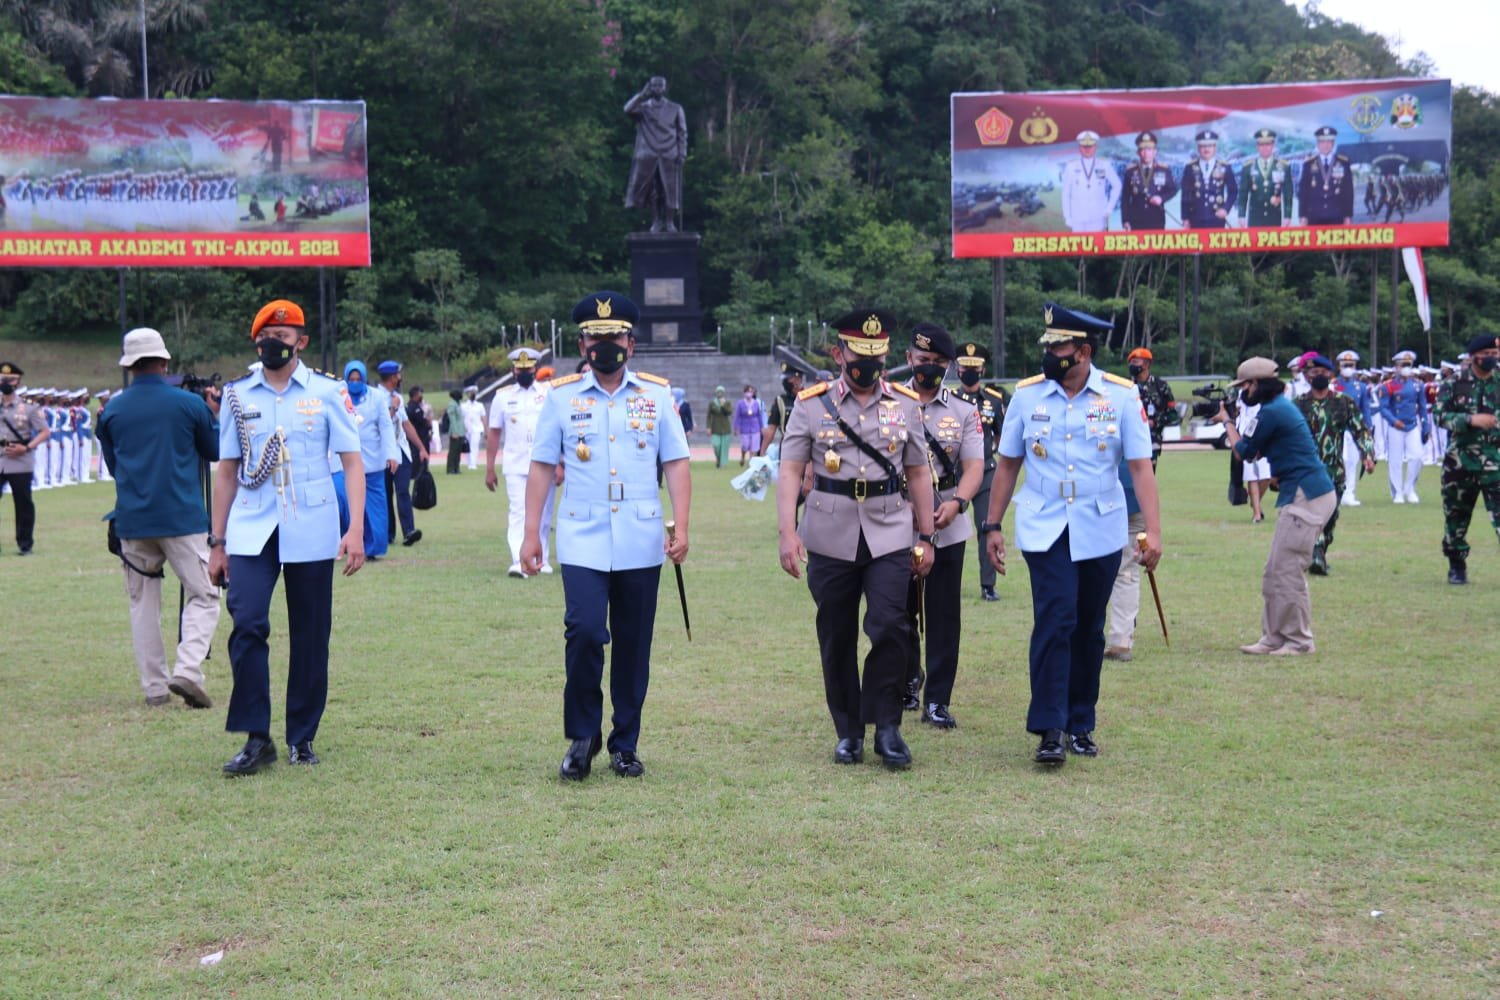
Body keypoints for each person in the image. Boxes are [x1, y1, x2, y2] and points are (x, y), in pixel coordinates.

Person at [522, 291, 691, 780]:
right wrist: (532, 533)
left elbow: (676, 462)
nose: (604, 346)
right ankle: (582, 735)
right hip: (582, 531)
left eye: (613, 337)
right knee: (585, 630)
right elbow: (539, 468)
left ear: (631, 344)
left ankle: (625, 743)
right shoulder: (561, 397)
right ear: (582, 343)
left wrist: (682, 524)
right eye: (595, 338)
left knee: (634, 643)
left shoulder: (657, 396)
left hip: (640, 534)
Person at [982, 303, 1161, 765]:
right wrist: (993, 524)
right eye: (1047, 345)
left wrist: (1154, 532)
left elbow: (1141, 467)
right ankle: (1050, 727)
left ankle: (1081, 721)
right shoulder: (1028, 396)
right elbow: (1007, 464)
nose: (1049, 353)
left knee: (1089, 627)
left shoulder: (1120, 396)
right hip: (1045, 523)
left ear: (1082, 351)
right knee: (1056, 618)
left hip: (1101, 523)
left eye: (1057, 346)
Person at [209, 299, 365, 776]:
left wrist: (355, 528)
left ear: (302, 341)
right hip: (253, 528)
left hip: (312, 527)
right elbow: (228, 471)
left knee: (311, 634)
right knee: (248, 622)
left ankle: (302, 736)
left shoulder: (328, 392)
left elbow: (352, 461)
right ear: (256, 341)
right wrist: (216, 542)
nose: (274, 343)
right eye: (266, 337)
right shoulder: (239, 395)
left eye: (285, 335)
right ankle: (257, 737)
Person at [777, 308, 936, 770]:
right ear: (838, 353)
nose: (867, 362)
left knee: (890, 626)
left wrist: (925, 535)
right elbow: (789, 470)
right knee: (837, 633)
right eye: (858, 353)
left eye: (876, 354)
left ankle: (887, 727)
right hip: (828, 531)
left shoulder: (905, 403)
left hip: (889, 530)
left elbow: (919, 472)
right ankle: (848, 730)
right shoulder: (811, 403)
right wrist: (788, 531)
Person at [95, 328, 221, 708]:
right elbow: (213, 451)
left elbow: (115, 466)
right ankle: (187, 669)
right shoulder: (187, 403)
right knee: (204, 595)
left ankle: (154, 688)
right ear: (164, 361)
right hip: (183, 517)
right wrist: (210, 411)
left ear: (129, 365)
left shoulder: (111, 410)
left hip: (133, 519)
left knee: (144, 605)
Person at [1209, 357, 1336, 656]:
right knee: (1274, 570)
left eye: (1245, 386)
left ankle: (1299, 641)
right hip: (1302, 492)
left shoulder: (1274, 411)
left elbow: (1245, 452)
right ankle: (1274, 637)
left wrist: (1227, 422)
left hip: (1308, 494)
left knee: (1288, 570)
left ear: (1257, 384)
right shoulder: (1276, 408)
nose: (1243, 391)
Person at [899, 323, 983, 728]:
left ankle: (937, 699)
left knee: (944, 614)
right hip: (895, 521)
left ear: (948, 366)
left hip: (946, 522)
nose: (928, 368)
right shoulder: (889, 403)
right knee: (899, 610)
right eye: (922, 360)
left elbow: (974, 467)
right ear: (908, 359)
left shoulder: (964, 411)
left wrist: (958, 503)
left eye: (936, 363)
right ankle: (907, 679)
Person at [1294, 354, 1375, 575]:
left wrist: (1367, 454)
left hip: (1335, 471)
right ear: (1307, 376)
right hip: (1307, 472)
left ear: (1330, 374)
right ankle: (1316, 552)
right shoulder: (1298, 405)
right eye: (1313, 373)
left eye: (1322, 372)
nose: (1318, 376)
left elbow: (1361, 430)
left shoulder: (1343, 402)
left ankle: (1320, 550)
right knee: (1312, 516)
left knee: (1330, 517)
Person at [1434, 333, 1500, 585]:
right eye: (1487, 355)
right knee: (1456, 516)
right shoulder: (1454, 383)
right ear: (1474, 357)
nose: (1492, 359)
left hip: (1495, 461)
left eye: (1495, 355)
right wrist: (1469, 420)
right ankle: (1456, 565)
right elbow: (1440, 415)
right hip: (1459, 462)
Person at [486, 347, 554, 578]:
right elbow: (494, 433)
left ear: (535, 369)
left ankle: (541, 559)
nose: (524, 372)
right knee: (518, 511)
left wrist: (561, 462)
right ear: (513, 371)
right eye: (520, 369)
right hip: (515, 463)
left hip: (545, 463)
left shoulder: (549, 393)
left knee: (544, 513)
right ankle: (518, 559)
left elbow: (557, 429)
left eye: (529, 369)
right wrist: (489, 468)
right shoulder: (502, 397)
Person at [952, 341, 1008, 601]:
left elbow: (1002, 435)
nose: (970, 371)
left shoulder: (993, 401)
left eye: (974, 367)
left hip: (985, 472)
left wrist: (989, 451)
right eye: (965, 367)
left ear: (983, 369)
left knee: (988, 527)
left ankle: (988, 585)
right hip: (955, 473)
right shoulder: (950, 400)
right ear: (957, 369)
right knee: (948, 528)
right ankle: (944, 579)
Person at [336, 360, 398, 561]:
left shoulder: (377, 397)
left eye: (358, 379)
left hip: (372, 463)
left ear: (364, 379)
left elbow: (386, 427)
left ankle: (374, 547)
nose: (354, 383)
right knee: (347, 503)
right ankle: (349, 543)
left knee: (376, 508)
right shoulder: (338, 396)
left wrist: (392, 454)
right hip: (344, 463)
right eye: (351, 379)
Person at [623, 76, 688, 233]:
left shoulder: (675, 108)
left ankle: (670, 222)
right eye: (654, 86)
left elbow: (682, 132)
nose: (657, 88)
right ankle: (656, 221)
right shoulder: (643, 108)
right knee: (653, 190)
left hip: (669, 153)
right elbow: (627, 109)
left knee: (669, 190)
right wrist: (641, 95)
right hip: (649, 154)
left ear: (665, 88)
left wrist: (682, 153)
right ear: (650, 88)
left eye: (660, 85)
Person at [0, 361, 50, 555]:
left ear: (18, 382)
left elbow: (45, 432)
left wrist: (27, 447)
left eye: (10, 380)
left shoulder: (29, 408)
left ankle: (25, 544)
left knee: (23, 504)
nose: (5, 382)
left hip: (20, 461)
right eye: (3, 379)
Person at [377, 360, 426, 546]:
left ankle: (409, 531)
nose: (400, 377)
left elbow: (406, 424)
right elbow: (381, 424)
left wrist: (421, 448)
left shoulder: (398, 396)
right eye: (398, 374)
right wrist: (394, 407)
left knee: (403, 491)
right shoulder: (377, 397)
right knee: (386, 493)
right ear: (391, 377)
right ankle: (389, 533)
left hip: (401, 451)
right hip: (384, 453)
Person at [1381, 350, 1430, 503]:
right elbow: (1384, 407)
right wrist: (1393, 421)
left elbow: (1422, 406)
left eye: (1409, 364)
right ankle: (1397, 492)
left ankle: (1410, 488)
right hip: (1396, 425)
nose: (1406, 367)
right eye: (1403, 364)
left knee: (1417, 456)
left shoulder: (1417, 385)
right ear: (1396, 366)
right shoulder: (1388, 385)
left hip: (1412, 425)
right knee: (1395, 460)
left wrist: (1426, 424)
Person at [1332, 351, 1376, 506]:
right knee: (1339, 460)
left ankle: (1349, 492)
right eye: (1345, 365)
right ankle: (1336, 491)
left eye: (1351, 365)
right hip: (1337, 428)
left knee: (1353, 461)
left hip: (1354, 429)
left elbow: (1366, 410)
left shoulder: (1361, 387)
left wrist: (1368, 428)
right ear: (1339, 366)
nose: (1348, 368)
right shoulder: (1333, 385)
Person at [1126, 347, 1179, 467]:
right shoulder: (1125, 385)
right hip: (1129, 440)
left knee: (1146, 478)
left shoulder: (1160, 386)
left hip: (1151, 441)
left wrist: (1155, 422)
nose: (1131, 365)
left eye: (1135, 362)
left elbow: (1173, 415)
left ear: (1146, 364)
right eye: (1130, 362)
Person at [1060, 130, 1121, 232]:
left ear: (1095, 147)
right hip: (1077, 218)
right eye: (1084, 146)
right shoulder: (1071, 167)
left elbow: (1117, 185)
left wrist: (1109, 208)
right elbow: (1065, 193)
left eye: (1090, 146)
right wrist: (1067, 216)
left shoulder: (1104, 165)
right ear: (1079, 148)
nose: (1087, 149)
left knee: (1097, 247)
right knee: (1079, 247)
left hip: (1098, 217)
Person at [1237, 128, 1293, 227]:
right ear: (1257, 146)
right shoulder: (1248, 167)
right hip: (1255, 217)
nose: (1265, 148)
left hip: (1274, 216)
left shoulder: (1283, 166)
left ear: (1273, 145)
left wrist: (1287, 216)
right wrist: (1241, 215)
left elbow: (1288, 193)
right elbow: (1243, 193)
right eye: (1261, 144)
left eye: (1268, 144)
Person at [1298, 126, 1354, 226]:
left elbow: (1348, 191)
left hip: (1337, 215)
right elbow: (1303, 192)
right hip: (1314, 216)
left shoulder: (1343, 162)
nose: (1326, 145)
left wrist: (1348, 216)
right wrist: (1303, 216)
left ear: (1333, 143)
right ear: (1318, 144)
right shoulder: (1309, 164)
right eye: (1322, 142)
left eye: (1329, 142)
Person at [1180, 130, 1237, 229]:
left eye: (1210, 145)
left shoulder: (1225, 167)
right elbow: (1185, 195)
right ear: (1198, 148)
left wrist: (1226, 209)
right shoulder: (1190, 167)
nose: (1206, 149)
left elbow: (1233, 191)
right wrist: (1185, 218)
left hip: (1216, 218)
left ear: (1215, 147)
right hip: (1195, 218)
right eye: (1203, 146)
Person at [1120, 131, 1176, 231]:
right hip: (1136, 221)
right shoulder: (1130, 171)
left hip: (1157, 219)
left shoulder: (1164, 170)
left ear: (1155, 151)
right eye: (1142, 150)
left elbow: (1172, 190)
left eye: (1149, 149)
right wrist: (1125, 220)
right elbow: (1125, 198)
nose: (1146, 153)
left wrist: (1161, 198)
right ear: (1138, 152)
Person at [1238, 397, 1271, 523]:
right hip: (1246, 435)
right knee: (1252, 476)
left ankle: (1254, 502)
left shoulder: (1265, 394)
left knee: (1267, 476)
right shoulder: (1242, 394)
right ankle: (1257, 513)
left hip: (1263, 434)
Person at [760, 363, 803, 457]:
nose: (786, 382)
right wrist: (762, 453)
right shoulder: (780, 400)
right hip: (787, 447)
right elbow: (771, 429)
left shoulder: (809, 398)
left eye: (789, 379)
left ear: (798, 380)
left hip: (806, 447)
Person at [733, 385, 764, 466]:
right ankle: (743, 456)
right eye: (748, 392)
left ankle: (751, 463)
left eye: (751, 392)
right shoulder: (740, 403)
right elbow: (737, 416)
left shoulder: (756, 403)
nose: (749, 394)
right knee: (745, 445)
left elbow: (759, 415)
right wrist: (736, 428)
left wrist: (761, 427)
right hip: (744, 428)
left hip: (755, 427)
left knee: (754, 447)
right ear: (744, 393)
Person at [460, 385, 486, 471]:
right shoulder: (463, 406)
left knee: (474, 446)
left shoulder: (480, 405)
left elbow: (483, 418)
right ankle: (469, 463)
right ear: (467, 394)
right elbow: (461, 418)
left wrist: (486, 430)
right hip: (466, 429)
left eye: (474, 393)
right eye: (471, 393)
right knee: (467, 447)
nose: (473, 394)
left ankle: (473, 464)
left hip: (477, 429)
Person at [707, 386, 732, 467]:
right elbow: (709, 416)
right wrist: (708, 427)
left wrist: (723, 405)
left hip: (725, 428)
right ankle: (718, 459)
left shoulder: (727, 402)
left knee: (724, 447)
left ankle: (722, 463)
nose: (719, 394)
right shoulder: (712, 403)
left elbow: (729, 412)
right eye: (718, 392)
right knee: (716, 445)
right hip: (715, 428)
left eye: (721, 392)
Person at [444, 388, 465, 475]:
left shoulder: (458, 404)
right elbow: (452, 419)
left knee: (458, 451)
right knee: (453, 451)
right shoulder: (452, 405)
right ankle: (450, 469)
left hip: (461, 431)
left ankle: (456, 467)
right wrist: (455, 432)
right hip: (455, 431)